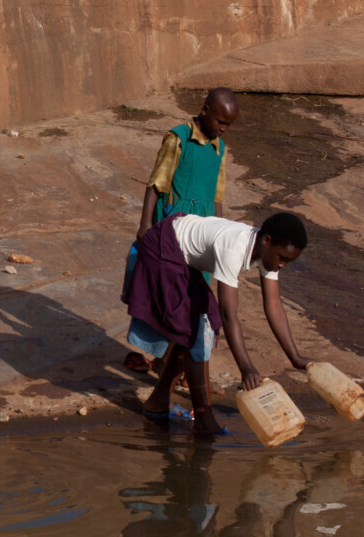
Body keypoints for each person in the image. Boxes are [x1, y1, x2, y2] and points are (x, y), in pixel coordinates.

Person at [122, 211, 310, 439]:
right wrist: (246, 367)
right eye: (282, 258)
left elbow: (274, 306)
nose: (282, 265)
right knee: (198, 329)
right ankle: (203, 419)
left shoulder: (267, 254)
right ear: (267, 240)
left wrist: (295, 357)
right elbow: (228, 315)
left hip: (182, 257)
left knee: (196, 327)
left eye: (288, 261)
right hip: (163, 248)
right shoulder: (234, 246)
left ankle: (158, 401)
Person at [126, 88, 239, 383]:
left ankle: (177, 365)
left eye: (228, 125)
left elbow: (217, 195)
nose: (223, 129)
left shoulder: (219, 149)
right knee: (169, 294)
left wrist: (220, 231)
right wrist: (145, 225)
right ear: (205, 110)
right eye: (220, 122)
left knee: (195, 297)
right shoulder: (178, 139)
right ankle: (164, 360)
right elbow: (156, 183)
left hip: (204, 230)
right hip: (174, 228)